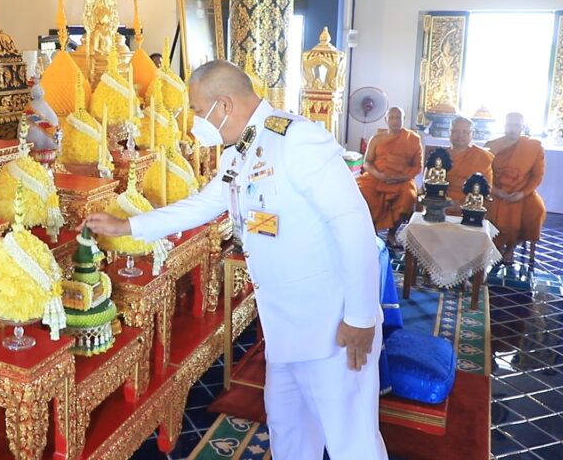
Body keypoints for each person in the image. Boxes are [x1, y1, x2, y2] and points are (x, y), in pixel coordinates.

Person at [84, 60, 387, 459]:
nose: (195, 121)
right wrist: (128, 226)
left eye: (197, 110)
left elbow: (353, 224)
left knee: (352, 443)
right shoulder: (240, 152)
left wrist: (361, 317)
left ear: (223, 105)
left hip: (331, 326)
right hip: (284, 329)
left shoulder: (296, 140)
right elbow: (203, 205)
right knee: (289, 433)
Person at [356, 107, 423, 248]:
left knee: (409, 195)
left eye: (398, 118)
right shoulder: (376, 139)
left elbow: (418, 166)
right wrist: (380, 175)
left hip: (402, 179)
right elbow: (367, 163)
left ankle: (392, 234)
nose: (395, 121)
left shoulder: (413, 139)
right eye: (392, 117)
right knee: (363, 191)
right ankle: (372, 232)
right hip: (376, 177)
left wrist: (401, 178)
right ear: (386, 120)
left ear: (403, 119)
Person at [485, 113, 546, 265]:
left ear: (522, 127)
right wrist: (495, 191)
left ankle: (511, 247)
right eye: (509, 125)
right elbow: (484, 173)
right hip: (495, 190)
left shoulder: (533, 147)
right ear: (504, 125)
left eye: (516, 125)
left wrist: (522, 193)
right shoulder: (492, 145)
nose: (512, 129)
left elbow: (537, 176)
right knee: (488, 207)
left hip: (522, 190)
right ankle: (495, 246)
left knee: (536, 209)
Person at [445, 117, 494, 214]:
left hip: (473, 205)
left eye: (465, 132)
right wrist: (446, 203)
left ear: (473, 134)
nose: (460, 135)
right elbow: (429, 184)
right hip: (442, 204)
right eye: (455, 131)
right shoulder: (440, 156)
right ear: (449, 133)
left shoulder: (484, 157)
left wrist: (464, 204)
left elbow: (488, 188)